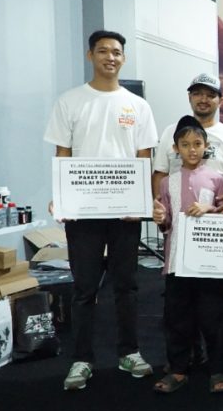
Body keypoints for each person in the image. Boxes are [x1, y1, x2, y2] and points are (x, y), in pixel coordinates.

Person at [44, 30, 158, 391]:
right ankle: (82, 358)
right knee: (84, 287)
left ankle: (130, 352)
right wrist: (61, 197)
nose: (111, 57)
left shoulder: (137, 106)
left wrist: (141, 201)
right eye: (103, 51)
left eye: (117, 52)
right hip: (83, 211)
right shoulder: (70, 101)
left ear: (124, 58)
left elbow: (144, 157)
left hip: (125, 212)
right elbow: (62, 154)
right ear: (90, 55)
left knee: (127, 285)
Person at [151, 116, 223, 394]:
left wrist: (211, 210)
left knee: (214, 315)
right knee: (177, 318)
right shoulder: (167, 183)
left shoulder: (217, 179)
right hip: (177, 262)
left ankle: (218, 368)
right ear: (176, 149)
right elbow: (166, 222)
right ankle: (178, 369)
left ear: (206, 146)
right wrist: (160, 219)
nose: (192, 149)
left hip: (209, 263)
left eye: (197, 144)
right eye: (185, 145)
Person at [152, 73, 223, 213]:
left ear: (221, 101)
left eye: (210, 95)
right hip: (177, 217)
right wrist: (161, 210)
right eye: (197, 94)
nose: (203, 99)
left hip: (217, 217)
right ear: (189, 97)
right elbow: (160, 173)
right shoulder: (170, 132)